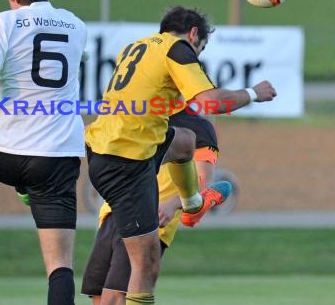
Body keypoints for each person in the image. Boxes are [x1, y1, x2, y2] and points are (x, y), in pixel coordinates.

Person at [84, 5, 277, 304]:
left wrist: (181, 203)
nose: (195, 61)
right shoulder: (178, 51)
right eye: (198, 52)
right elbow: (212, 101)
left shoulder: (137, 50)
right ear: (193, 34)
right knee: (129, 281)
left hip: (101, 154)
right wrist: (253, 93)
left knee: (103, 296)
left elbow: (203, 170)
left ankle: (192, 201)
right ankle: (193, 201)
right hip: (127, 165)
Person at [0, 0, 87, 305]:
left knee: (12, 161)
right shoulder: (76, 25)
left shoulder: (2, 22)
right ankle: (32, 191)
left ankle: (24, 189)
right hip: (56, 157)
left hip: (3, 156)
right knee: (60, 267)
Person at [82, 111, 227, 305]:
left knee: (115, 296)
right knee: (98, 295)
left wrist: (172, 203)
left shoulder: (199, 127)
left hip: (151, 218)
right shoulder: (142, 114)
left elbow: (202, 183)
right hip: (113, 210)